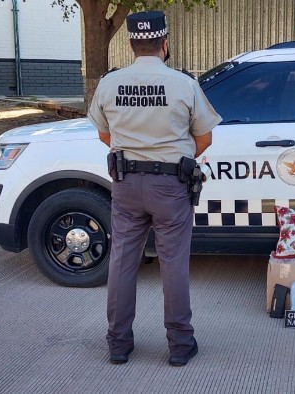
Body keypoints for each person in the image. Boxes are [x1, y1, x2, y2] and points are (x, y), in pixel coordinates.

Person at [87, 10, 222, 366]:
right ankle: (179, 345)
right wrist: (171, 158)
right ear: (164, 44)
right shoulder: (183, 83)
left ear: (131, 44)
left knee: (121, 263)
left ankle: (118, 344)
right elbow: (204, 138)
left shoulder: (110, 83)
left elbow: (105, 135)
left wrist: (135, 154)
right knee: (173, 265)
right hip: (171, 187)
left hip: (126, 184)